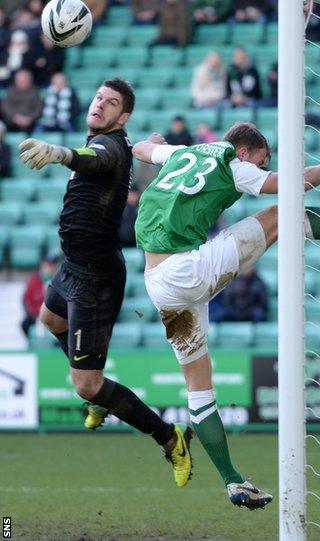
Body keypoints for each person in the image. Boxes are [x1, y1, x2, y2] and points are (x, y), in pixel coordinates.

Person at [132, 121, 320, 509]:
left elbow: (141, 151)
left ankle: (234, 482)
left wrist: (152, 142)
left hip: (158, 282)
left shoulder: (182, 151)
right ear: (247, 151)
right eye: (262, 161)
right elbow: (294, 182)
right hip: (187, 271)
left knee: (199, 388)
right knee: (281, 212)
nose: (261, 167)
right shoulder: (234, 162)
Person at [19, 77, 193, 489]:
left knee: (87, 383)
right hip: (74, 264)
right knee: (50, 320)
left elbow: (90, 159)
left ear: (123, 117)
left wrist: (59, 153)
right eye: (98, 97)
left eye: (110, 103)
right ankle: (97, 395)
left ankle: (169, 437)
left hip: (96, 277)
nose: (99, 105)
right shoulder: (111, 141)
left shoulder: (110, 146)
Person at [21, 253, 59, 339]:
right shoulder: (34, 281)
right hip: (37, 315)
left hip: (55, 316)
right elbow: (26, 300)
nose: (51, 267)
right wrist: (36, 315)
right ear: (43, 265)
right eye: (49, 265)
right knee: (25, 324)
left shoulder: (60, 281)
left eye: (53, 265)